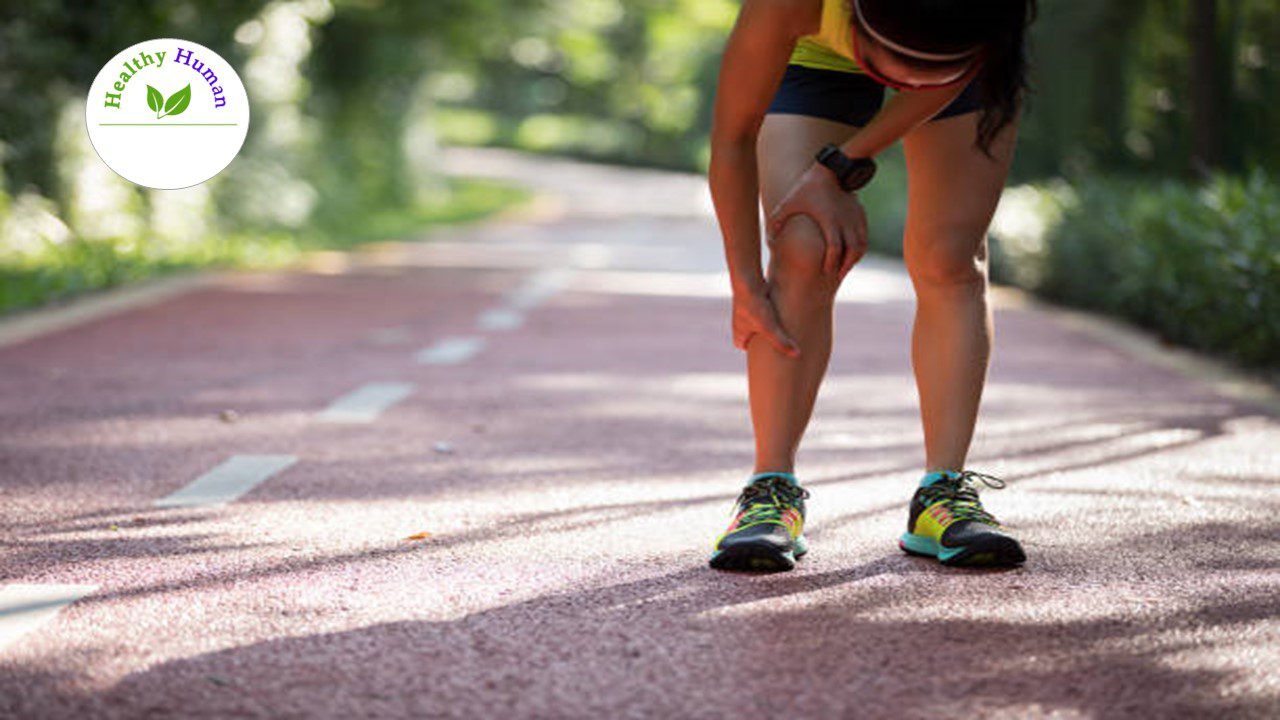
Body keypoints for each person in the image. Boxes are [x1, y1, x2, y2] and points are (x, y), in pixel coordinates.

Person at [706, 0, 1037, 571]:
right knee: (804, 242)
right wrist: (745, 285)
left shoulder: (991, 17)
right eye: (892, 66)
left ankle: (944, 491)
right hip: (817, 58)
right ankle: (770, 491)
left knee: (948, 259)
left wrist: (840, 165)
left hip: (963, 54)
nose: (899, 84)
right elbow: (733, 137)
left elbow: (939, 76)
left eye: (916, 72)